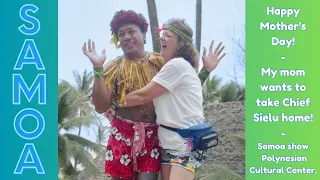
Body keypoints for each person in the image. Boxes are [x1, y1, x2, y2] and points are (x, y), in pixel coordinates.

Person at [82, 10, 219, 180]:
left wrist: (205, 72)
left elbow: (185, 89)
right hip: (122, 135)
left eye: (131, 31)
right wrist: (97, 69)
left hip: (155, 138)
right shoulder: (112, 68)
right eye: (121, 34)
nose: (126, 37)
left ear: (144, 35)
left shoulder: (162, 62)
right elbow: (100, 106)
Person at [117, 18, 226, 180]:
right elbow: (186, 92)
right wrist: (206, 71)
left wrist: (112, 102)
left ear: (180, 44)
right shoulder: (180, 68)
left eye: (168, 35)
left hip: (185, 145)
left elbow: (142, 95)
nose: (162, 38)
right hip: (169, 145)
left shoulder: (177, 65)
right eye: (162, 35)